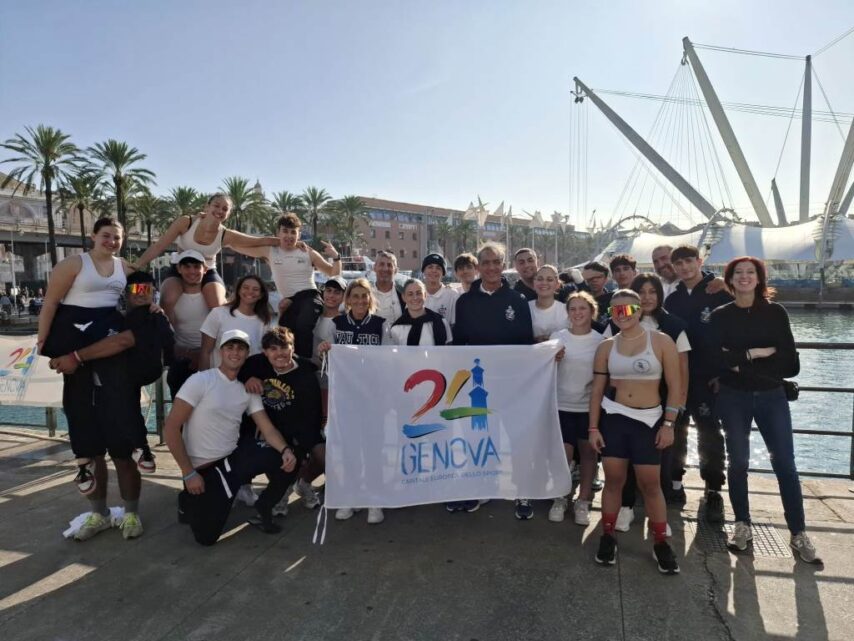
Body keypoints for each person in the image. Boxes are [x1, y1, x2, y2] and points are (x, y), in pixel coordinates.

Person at [49, 271, 175, 540]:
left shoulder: (145, 318)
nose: (142, 292)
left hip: (118, 398)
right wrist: (57, 356)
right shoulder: (79, 316)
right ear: (124, 292)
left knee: (123, 456)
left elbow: (123, 341)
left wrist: (75, 356)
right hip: (81, 395)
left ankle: (131, 513)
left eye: (148, 288)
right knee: (90, 457)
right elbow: (53, 343)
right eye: (137, 288)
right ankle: (99, 514)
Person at [711, 257, 821, 563]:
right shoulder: (721, 315)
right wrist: (758, 352)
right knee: (738, 462)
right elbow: (717, 361)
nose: (744, 277)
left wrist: (738, 359)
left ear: (760, 279)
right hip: (734, 397)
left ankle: (798, 532)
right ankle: (742, 524)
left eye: (751, 273)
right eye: (738, 273)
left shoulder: (775, 312)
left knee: (785, 463)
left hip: (772, 395)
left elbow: (791, 363)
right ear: (729, 280)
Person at [164, 329, 299, 545]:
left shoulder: (247, 389)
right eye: (230, 347)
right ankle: (191, 498)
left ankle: (262, 504)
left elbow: (267, 428)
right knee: (206, 538)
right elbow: (170, 428)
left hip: (232, 461)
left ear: (247, 354)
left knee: (284, 456)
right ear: (220, 351)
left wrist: (286, 450)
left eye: (241, 348)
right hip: (202, 468)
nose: (235, 352)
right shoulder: (200, 381)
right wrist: (188, 473)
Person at [588, 289, 682, 575]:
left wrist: (668, 425)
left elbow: (676, 387)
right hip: (615, 420)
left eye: (627, 310)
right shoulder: (606, 346)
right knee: (613, 481)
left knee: (651, 485)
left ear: (639, 310)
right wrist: (593, 427)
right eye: (614, 311)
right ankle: (607, 536)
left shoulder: (662, 342)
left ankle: (660, 542)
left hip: (649, 421)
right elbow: (597, 391)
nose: (620, 315)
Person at [38, 217, 132, 500]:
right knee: (77, 396)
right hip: (74, 328)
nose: (111, 242)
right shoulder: (73, 264)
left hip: (105, 329)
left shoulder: (125, 266)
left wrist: (151, 305)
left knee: (116, 389)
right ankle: (83, 461)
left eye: (116, 237)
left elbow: (140, 290)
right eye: (106, 235)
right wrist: (43, 342)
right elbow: (51, 302)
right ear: (93, 236)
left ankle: (136, 442)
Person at [453, 242, 534, 517]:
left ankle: (522, 491)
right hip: (479, 387)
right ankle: (483, 487)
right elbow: (461, 342)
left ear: (502, 265)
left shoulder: (518, 301)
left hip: (512, 386)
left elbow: (526, 345)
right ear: (477, 266)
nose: (490, 267)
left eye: (495, 262)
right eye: (485, 262)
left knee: (517, 438)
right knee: (481, 439)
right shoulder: (464, 302)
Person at [614, 273, 691, 533]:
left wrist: (678, 407)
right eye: (641, 291)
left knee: (660, 462)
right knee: (623, 462)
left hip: (662, 406)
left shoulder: (674, 324)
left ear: (659, 295)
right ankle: (625, 507)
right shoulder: (615, 322)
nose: (647, 297)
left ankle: (658, 515)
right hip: (622, 405)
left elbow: (682, 370)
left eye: (652, 292)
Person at [664, 245, 732, 522]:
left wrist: (724, 373)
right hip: (678, 378)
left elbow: (732, 334)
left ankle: (713, 487)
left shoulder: (718, 291)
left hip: (708, 378)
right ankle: (675, 482)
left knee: (709, 433)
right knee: (676, 431)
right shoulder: (673, 299)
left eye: (689, 261)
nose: (684, 267)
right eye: (678, 263)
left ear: (699, 261)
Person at [132, 193, 279, 315]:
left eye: (225, 209)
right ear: (207, 206)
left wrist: (288, 242)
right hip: (180, 269)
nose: (220, 210)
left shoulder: (226, 235)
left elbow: (259, 240)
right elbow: (159, 246)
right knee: (168, 300)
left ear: (228, 214)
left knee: (217, 307)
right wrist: (137, 265)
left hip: (208, 271)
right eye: (216, 206)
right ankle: (167, 339)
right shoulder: (186, 222)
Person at [318, 277, 387, 523]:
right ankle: (351, 495)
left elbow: (389, 359)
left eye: (363, 296)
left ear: (370, 299)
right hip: (345, 397)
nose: (359, 300)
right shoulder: (336, 324)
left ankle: (374, 499)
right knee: (348, 448)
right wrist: (325, 349)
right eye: (355, 296)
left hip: (372, 398)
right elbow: (326, 359)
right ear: (348, 300)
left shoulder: (381, 324)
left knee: (372, 449)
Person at [240, 327, 325, 514]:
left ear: (293, 348)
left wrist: (299, 448)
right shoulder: (255, 364)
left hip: (301, 428)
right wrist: (248, 378)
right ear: (264, 352)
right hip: (269, 428)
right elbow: (235, 370)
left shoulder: (305, 373)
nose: (279, 353)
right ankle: (279, 491)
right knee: (272, 455)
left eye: (284, 347)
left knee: (323, 456)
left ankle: (302, 483)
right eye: (273, 349)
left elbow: (311, 416)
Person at [239, 213, 342, 359]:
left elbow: (333, 273)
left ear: (299, 234)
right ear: (278, 233)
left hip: (309, 296)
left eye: (293, 232)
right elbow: (240, 245)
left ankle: (304, 365)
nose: (289, 236)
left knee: (303, 326)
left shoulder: (307, 252)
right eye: (285, 231)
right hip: (289, 302)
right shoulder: (270, 251)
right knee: (283, 336)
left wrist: (336, 257)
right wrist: (271, 241)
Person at [548, 291, 603, 525]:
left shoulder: (601, 340)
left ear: (592, 311)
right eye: (573, 309)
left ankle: (583, 501)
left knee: (589, 455)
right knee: (564, 456)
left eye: (583, 308)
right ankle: (561, 497)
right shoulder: (557, 336)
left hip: (588, 407)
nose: (578, 313)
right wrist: (552, 358)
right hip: (560, 405)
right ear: (567, 313)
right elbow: (544, 369)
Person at [200, 274, 272, 371]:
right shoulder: (218, 313)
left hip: (249, 382)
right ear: (238, 291)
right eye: (246, 287)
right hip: (218, 380)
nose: (250, 291)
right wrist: (203, 379)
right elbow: (205, 351)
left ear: (261, 295)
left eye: (255, 289)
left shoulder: (264, 322)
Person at [165, 250, 211, 399]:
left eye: (196, 266)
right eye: (187, 266)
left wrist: (201, 355)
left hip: (209, 360)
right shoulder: (170, 299)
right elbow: (165, 330)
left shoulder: (212, 298)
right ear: (179, 269)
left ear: (205, 269)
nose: (192, 271)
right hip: (181, 360)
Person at [388, 278, 452, 346]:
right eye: (410, 294)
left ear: (425, 295)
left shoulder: (441, 321)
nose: (415, 297)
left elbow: (448, 349)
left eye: (419, 293)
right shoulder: (396, 328)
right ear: (403, 297)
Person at [529, 265, 568, 343]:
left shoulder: (566, 310)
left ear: (557, 284)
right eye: (540, 279)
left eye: (549, 280)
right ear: (534, 283)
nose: (544, 283)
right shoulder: (525, 308)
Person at [421, 253, 458, 326]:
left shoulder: (453, 295)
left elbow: (455, 325)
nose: (434, 270)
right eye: (430, 267)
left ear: (443, 273)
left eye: (438, 268)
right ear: (424, 271)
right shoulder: (416, 294)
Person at [371, 250, 404, 324]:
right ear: (374, 268)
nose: (385, 269)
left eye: (389, 265)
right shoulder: (367, 293)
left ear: (396, 270)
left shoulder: (404, 294)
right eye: (381, 264)